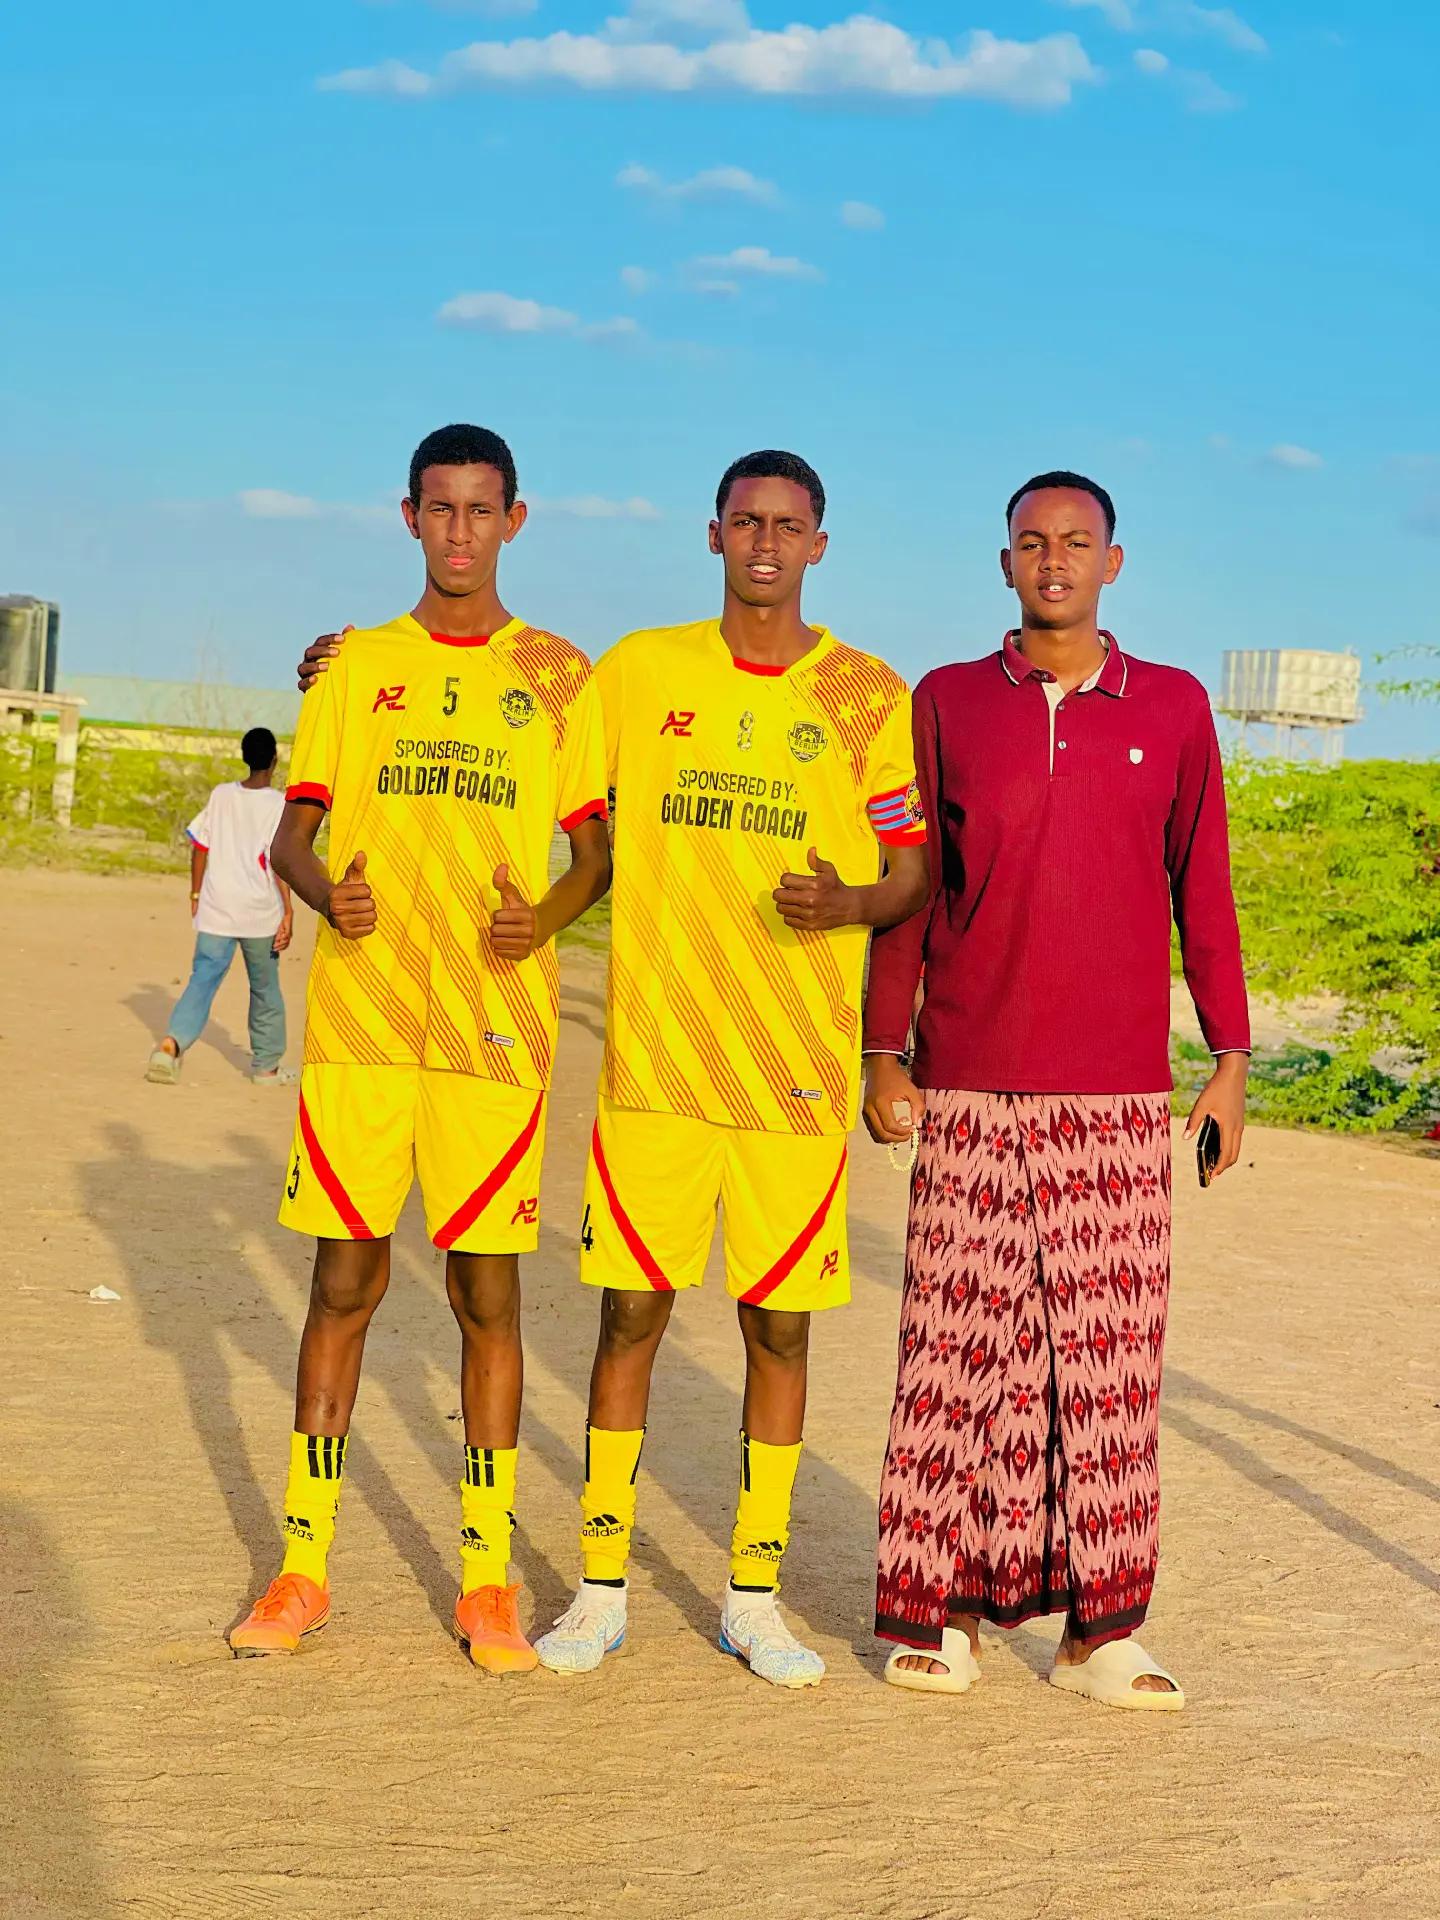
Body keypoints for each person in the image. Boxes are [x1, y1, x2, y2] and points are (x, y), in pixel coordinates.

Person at [533, 451, 930, 1688]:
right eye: (746, 522)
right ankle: (600, 1587)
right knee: (631, 1317)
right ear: (713, 536)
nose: (766, 542)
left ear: (820, 545)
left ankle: (751, 1598)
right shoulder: (641, 670)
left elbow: (913, 874)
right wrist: (342, 663)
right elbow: (514, 715)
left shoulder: (867, 694)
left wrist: (847, 902)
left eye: (788, 525)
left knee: (779, 1331)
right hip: (655, 1065)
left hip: (791, 1079)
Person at [862, 471, 1249, 1711]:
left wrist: (1230, 1059)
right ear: (1005, 563)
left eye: (1076, 542)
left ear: (1112, 563)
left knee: (1110, 1362)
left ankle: (1102, 1634)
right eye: (1032, 543)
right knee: (954, 1351)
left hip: (1117, 1097)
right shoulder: (948, 700)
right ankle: (944, 1614)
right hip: (968, 1079)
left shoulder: (1173, 706)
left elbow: (1204, 889)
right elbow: (912, 889)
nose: (1054, 561)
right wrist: (882, 1049)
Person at [228, 424, 611, 1672]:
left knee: (484, 1294)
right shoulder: (354, 666)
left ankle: (486, 1581)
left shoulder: (558, 675)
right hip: (363, 1024)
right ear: (409, 517)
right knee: (343, 1284)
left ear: (514, 520)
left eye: (480, 509)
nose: (459, 530)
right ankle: (302, 1567)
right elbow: (292, 837)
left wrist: (542, 917)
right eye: (439, 508)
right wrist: (324, 890)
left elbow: (595, 855)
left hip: (495, 1031)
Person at [145, 726, 295, 1086]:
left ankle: (170, 1046)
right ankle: (267, 1068)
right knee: (265, 988)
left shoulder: (221, 795)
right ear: (274, 761)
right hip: (260, 913)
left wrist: (195, 895)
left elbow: (200, 845)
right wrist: (288, 911)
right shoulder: (279, 805)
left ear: (245, 757)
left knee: (202, 980)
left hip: (217, 909)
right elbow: (279, 860)